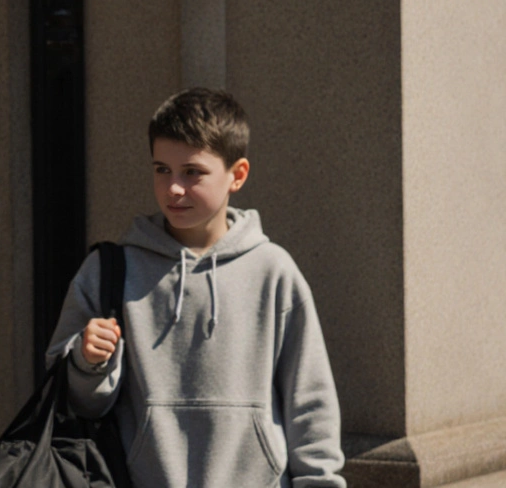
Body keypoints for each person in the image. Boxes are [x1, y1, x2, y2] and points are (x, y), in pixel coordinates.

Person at [48, 88, 345, 487]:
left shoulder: (273, 271)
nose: (173, 188)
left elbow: (310, 404)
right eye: (161, 169)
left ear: (237, 175)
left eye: (192, 172)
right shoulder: (108, 271)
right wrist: (87, 362)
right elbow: (73, 401)